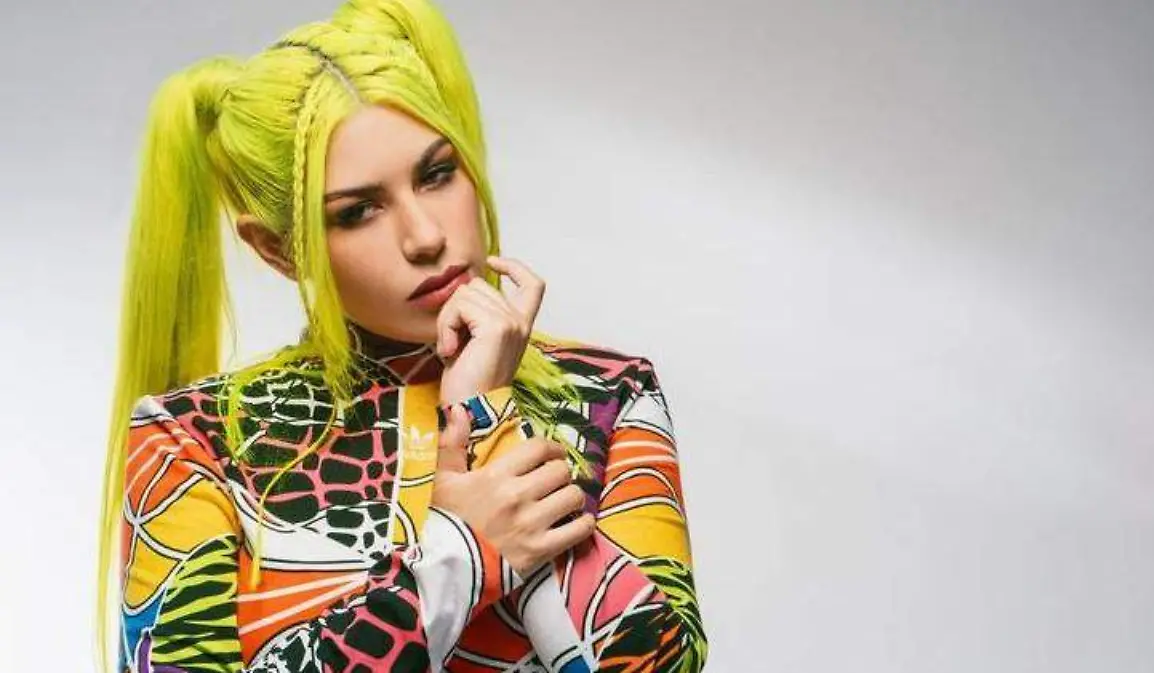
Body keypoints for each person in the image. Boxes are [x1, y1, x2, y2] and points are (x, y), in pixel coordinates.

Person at [96, 0, 707, 671]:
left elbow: (658, 664)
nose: (426, 236)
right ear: (278, 250)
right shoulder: (195, 438)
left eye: (437, 174)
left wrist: (485, 415)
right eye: (358, 211)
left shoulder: (610, 393)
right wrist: (461, 552)